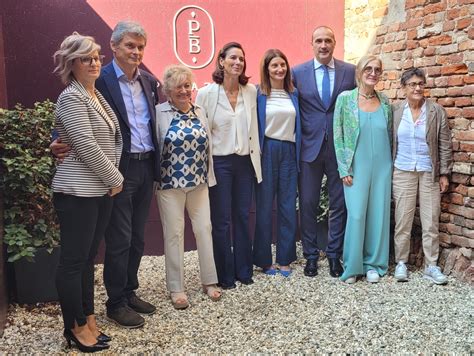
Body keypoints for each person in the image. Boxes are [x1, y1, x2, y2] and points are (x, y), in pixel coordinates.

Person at [51, 21, 161, 328]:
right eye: (130, 45)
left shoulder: (150, 83)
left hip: (145, 166)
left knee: (137, 237)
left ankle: (128, 290)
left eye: (140, 47)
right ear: (113, 46)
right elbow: (69, 121)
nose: (136, 51)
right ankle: (115, 303)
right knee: (119, 239)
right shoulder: (97, 80)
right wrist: (54, 141)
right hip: (114, 172)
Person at [52, 32, 123, 352]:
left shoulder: (94, 95)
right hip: (78, 192)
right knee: (73, 261)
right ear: (71, 64)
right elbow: (85, 144)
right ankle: (75, 326)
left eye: (96, 57)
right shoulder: (71, 97)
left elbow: (112, 140)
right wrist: (115, 178)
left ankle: (88, 318)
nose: (94, 62)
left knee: (87, 261)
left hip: (99, 190)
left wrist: (109, 180)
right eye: (86, 58)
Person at [196, 42, 262, 289]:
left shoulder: (250, 91)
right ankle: (224, 274)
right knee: (222, 220)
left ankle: (244, 271)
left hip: (245, 162)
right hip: (220, 163)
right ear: (221, 61)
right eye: (233, 58)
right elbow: (202, 132)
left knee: (243, 217)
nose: (238, 62)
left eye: (242, 59)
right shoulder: (207, 94)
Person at [155, 65, 222, 308]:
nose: (184, 91)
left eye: (187, 86)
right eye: (178, 87)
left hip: (199, 182)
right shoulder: (158, 113)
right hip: (170, 183)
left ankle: (209, 281)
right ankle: (177, 288)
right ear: (168, 91)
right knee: (174, 234)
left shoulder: (200, 111)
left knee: (204, 229)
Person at [292, 26, 356, 278]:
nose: (323, 45)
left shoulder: (350, 72)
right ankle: (310, 255)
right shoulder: (297, 72)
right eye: (318, 40)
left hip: (340, 149)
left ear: (334, 43)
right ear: (312, 43)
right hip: (309, 148)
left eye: (328, 40)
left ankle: (333, 255)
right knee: (307, 203)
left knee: (339, 203)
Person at [333, 55, 392, 284]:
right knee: (356, 214)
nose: (373, 73)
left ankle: (373, 264)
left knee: (378, 214)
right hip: (355, 165)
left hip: (383, 165)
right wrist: (343, 168)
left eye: (377, 70)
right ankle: (352, 266)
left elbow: (389, 135)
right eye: (369, 68)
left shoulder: (385, 101)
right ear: (359, 71)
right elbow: (338, 136)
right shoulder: (345, 99)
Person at [392, 67, 453, 285]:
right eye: (412, 84)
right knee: (403, 219)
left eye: (420, 84)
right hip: (402, 170)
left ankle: (432, 265)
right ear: (404, 88)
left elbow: (445, 144)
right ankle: (401, 262)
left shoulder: (436, 111)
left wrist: (444, 173)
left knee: (430, 220)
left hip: (429, 172)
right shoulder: (396, 111)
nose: (417, 88)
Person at [253, 49, 301, 277]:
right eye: (274, 66)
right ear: (267, 69)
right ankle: (263, 259)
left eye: (283, 64)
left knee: (288, 206)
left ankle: (285, 258)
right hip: (267, 150)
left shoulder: (294, 94)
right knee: (264, 206)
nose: (280, 69)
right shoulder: (259, 95)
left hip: (289, 151)